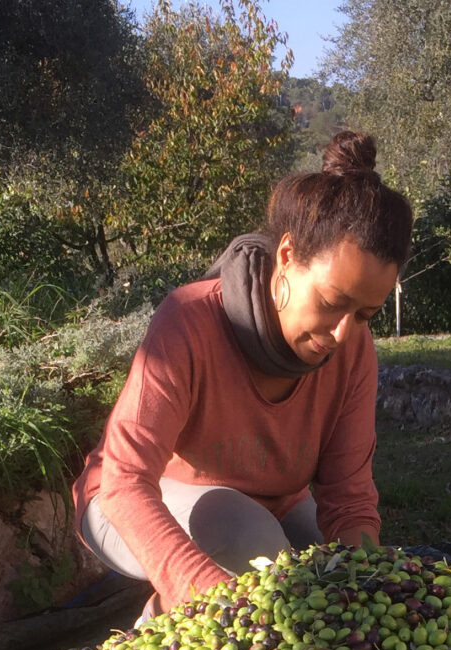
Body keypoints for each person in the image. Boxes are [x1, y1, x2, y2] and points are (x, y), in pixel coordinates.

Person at [73, 131, 414, 621]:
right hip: (123, 503)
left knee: (335, 577)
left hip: (268, 505)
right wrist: (204, 591)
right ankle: (156, 640)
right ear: (286, 256)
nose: (343, 333)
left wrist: (372, 599)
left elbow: (350, 502)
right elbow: (125, 483)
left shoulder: (352, 350)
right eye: (332, 303)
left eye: (365, 314)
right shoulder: (189, 322)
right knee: (256, 553)